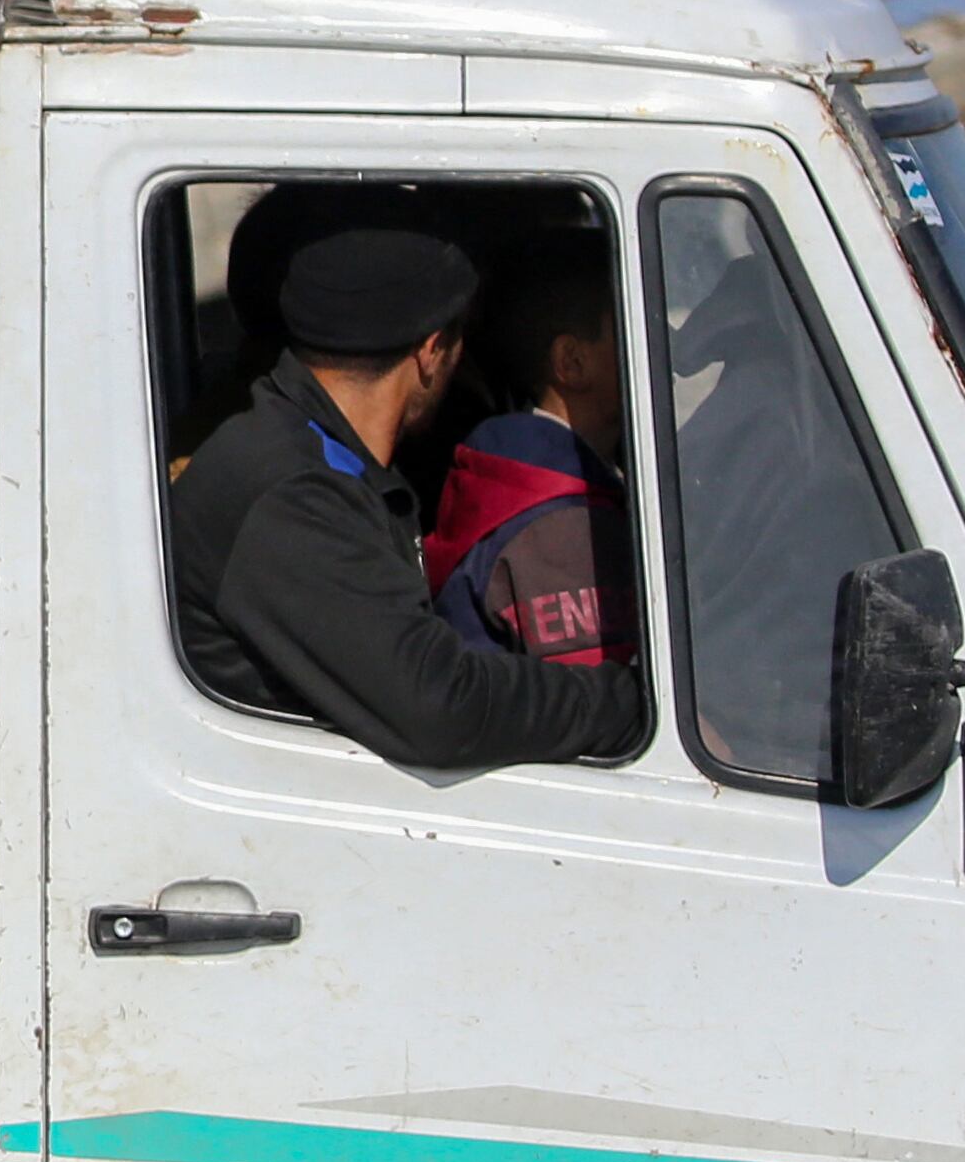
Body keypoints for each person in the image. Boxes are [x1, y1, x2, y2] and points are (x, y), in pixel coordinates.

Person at [172, 224, 650, 770]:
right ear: (431, 350)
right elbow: (443, 706)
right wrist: (630, 702)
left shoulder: (302, 450)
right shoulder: (290, 494)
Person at [423, 235, 638, 670]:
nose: (654, 341)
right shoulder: (562, 525)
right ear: (572, 363)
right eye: (628, 326)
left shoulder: (519, 476)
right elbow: (598, 702)